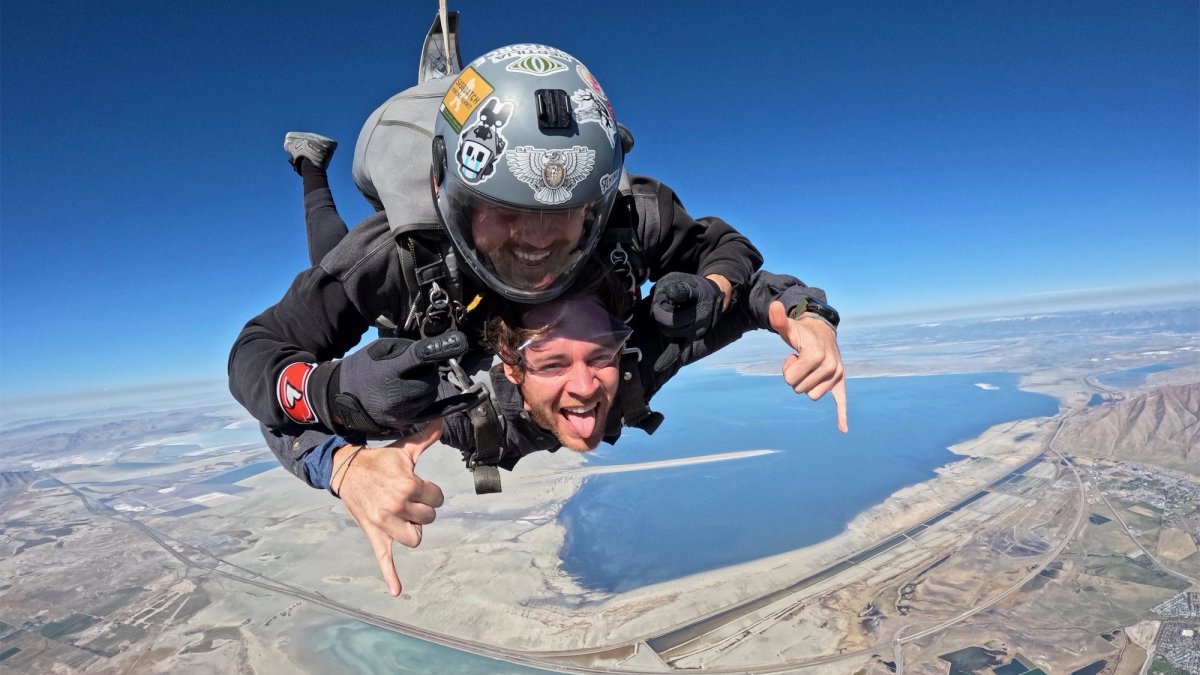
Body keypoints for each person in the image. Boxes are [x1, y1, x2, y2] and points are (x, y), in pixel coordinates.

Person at [273, 267, 845, 596]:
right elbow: (280, 415)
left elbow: (745, 297)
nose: (584, 386)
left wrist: (807, 317)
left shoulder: (634, 367)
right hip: (425, 342)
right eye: (550, 363)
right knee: (334, 260)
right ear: (513, 367)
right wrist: (343, 468)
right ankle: (311, 171)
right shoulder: (459, 410)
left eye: (600, 355)